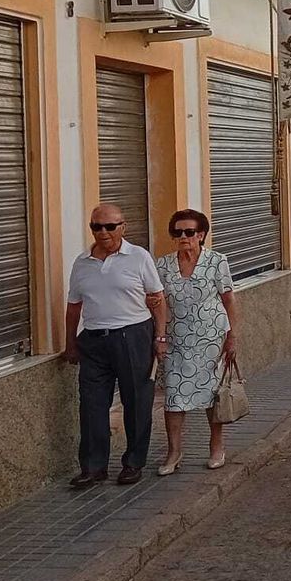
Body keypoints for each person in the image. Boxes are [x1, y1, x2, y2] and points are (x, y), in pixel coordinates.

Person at [63, 204, 166, 488]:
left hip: (132, 336)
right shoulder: (82, 262)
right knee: (92, 405)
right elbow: (73, 306)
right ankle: (93, 467)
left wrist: (160, 338)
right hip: (94, 340)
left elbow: (157, 298)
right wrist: (70, 343)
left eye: (110, 226)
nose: (103, 232)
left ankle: (133, 462)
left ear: (124, 227)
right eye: (96, 227)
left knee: (136, 401)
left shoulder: (138, 257)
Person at [155, 209, 237, 475]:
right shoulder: (163, 265)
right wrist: (160, 338)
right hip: (176, 340)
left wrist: (232, 336)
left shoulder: (216, 261)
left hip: (211, 340)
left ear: (201, 235)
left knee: (213, 395)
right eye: (177, 232)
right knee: (174, 397)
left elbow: (228, 300)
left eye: (189, 232)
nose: (183, 237)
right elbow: (160, 303)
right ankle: (174, 452)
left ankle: (216, 446)